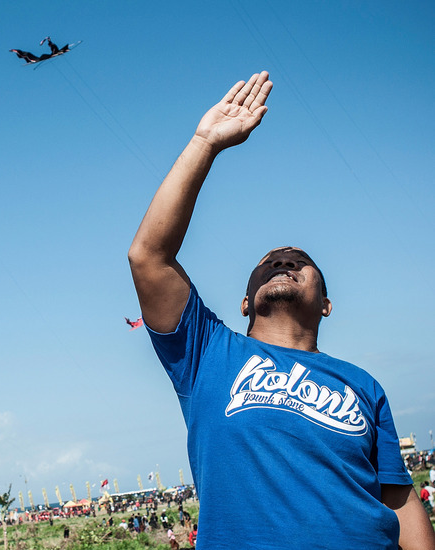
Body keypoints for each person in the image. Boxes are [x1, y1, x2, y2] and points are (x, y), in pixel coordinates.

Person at [128, 71, 435, 549]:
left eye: (300, 261)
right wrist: (205, 143)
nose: (284, 261)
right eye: (269, 262)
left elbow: (398, 498)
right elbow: (149, 256)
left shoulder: (363, 385)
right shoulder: (206, 354)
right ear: (246, 302)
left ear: (327, 304)